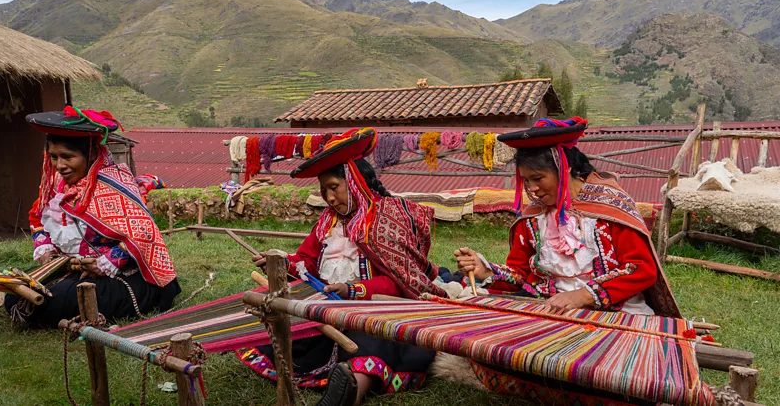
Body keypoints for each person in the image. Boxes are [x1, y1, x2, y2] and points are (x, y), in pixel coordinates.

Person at [453, 117, 681, 403]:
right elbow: (520, 274)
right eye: (526, 180)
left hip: (615, 314)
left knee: (613, 368)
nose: (532, 189)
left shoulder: (610, 207)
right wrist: (486, 269)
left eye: (539, 178)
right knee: (489, 343)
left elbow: (642, 269)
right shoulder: (533, 218)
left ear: (565, 168)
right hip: (549, 311)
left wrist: (584, 296)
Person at [240, 128, 447, 406]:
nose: (329, 197)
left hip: (379, 311)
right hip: (330, 310)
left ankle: (351, 389)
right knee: (280, 326)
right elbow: (307, 262)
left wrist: (354, 290)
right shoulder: (328, 223)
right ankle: (342, 377)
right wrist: (283, 265)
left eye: (334, 187)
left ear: (355, 181)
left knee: (373, 341)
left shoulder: (387, 219)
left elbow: (400, 281)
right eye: (323, 190)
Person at [5, 106, 180, 327]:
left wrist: (107, 262)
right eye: (54, 157)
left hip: (125, 276)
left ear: (92, 154)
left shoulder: (112, 186)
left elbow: (145, 234)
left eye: (68, 157)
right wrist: (45, 246)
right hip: (74, 268)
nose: (60, 166)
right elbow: (37, 218)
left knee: (53, 300)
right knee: (16, 290)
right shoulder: (59, 186)